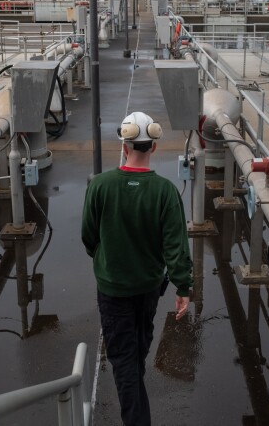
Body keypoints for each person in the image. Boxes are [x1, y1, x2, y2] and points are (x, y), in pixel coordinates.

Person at [81, 111, 193, 426]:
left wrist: (105, 258)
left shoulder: (100, 186)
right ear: (153, 147)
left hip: (113, 288)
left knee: (124, 360)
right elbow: (176, 246)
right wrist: (183, 287)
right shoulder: (165, 192)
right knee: (138, 349)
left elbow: (88, 236)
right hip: (149, 287)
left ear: (124, 145)